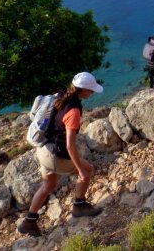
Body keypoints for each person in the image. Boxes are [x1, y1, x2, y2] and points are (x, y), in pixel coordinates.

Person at [18, 72, 103, 236]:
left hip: (42, 149)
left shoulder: (60, 96)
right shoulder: (74, 112)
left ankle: (29, 221)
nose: (92, 93)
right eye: (91, 90)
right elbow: (70, 146)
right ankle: (79, 206)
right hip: (54, 156)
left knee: (48, 185)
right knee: (87, 170)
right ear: (83, 90)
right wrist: (80, 169)